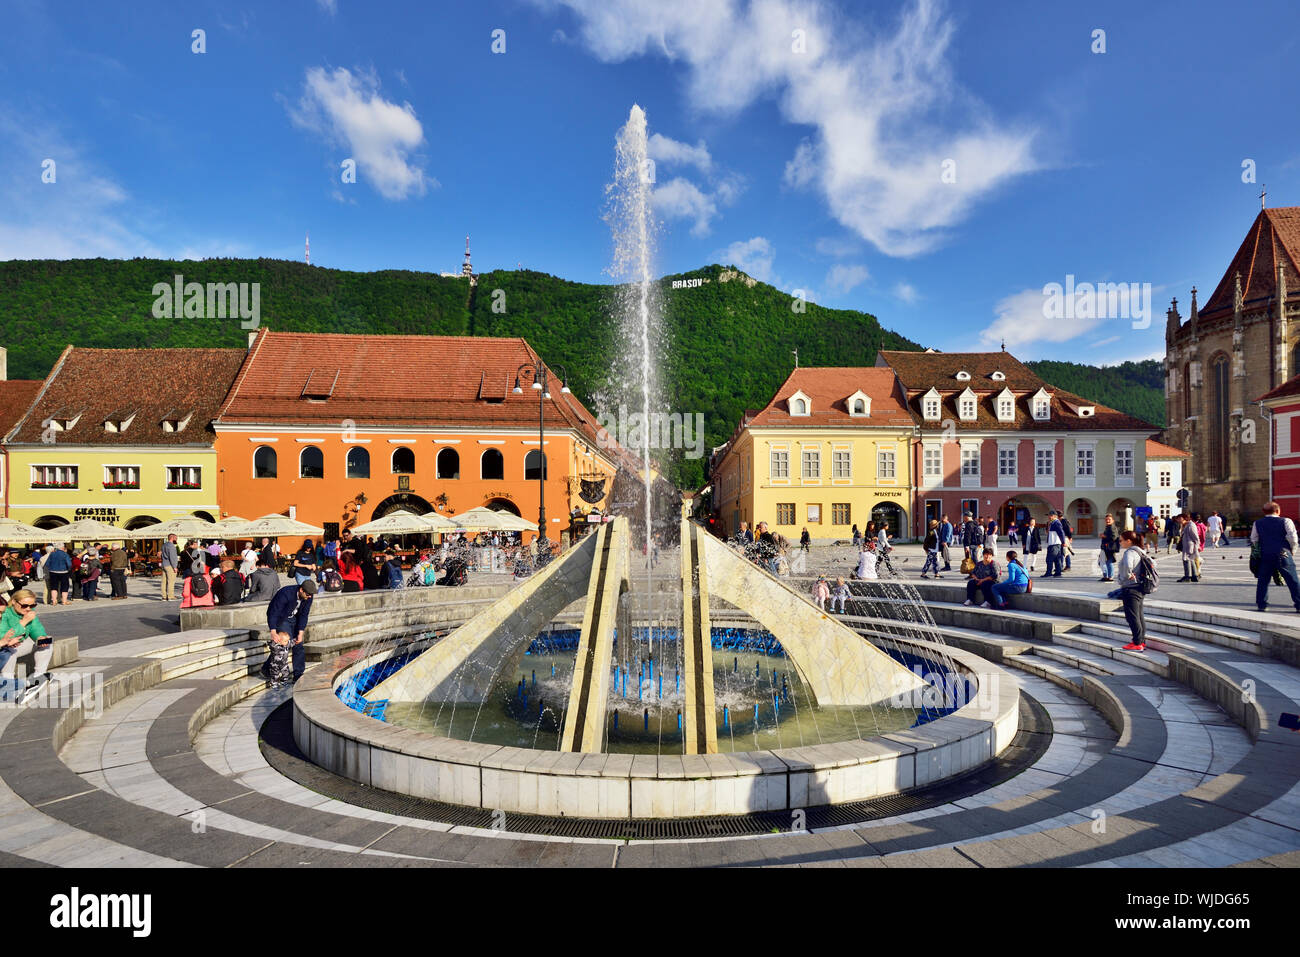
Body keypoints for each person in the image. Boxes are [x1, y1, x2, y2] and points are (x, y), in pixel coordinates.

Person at [0, 589, 55, 700]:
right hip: (8, 646)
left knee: (47, 641)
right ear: (14, 601)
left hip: (20, 643)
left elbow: (36, 628)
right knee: (10, 651)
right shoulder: (5, 612)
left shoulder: (29, 612)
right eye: (24, 605)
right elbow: (4, 635)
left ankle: (39, 676)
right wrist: (23, 622)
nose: (28, 608)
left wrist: (40, 637)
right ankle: (8, 682)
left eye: (32, 605)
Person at [1250, 502, 1300, 613]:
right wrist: (1292, 550)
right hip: (1283, 553)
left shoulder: (1257, 523)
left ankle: (1262, 605)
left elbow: (1254, 539)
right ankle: (1299, 604)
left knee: (1263, 581)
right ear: (1278, 511)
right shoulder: (1286, 521)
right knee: (1292, 580)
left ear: (1264, 512)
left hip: (1265, 554)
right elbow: (1293, 538)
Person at [266, 579, 316, 684]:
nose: (310, 597)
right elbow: (273, 612)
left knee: (298, 645)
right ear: (301, 590)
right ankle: (267, 669)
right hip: (282, 618)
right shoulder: (285, 593)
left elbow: (304, 615)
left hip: (295, 619)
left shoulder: (309, 596)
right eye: (308, 594)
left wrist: (300, 633)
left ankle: (298, 675)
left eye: (311, 595)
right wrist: (273, 631)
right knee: (284, 645)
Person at [1112, 530, 1150, 651]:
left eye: (1121, 540)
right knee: (1139, 615)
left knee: (1132, 616)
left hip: (1130, 587)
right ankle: (1141, 641)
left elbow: (1128, 565)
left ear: (1129, 541)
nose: (1120, 542)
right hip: (1140, 587)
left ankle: (1137, 642)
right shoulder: (1140, 551)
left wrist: (1127, 575)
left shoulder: (1130, 552)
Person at [1177, 514, 1201, 582]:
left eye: (1179, 518)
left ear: (1184, 518)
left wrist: (1197, 546)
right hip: (1186, 545)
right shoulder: (1185, 525)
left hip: (1190, 545)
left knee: (1186, 560)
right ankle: (1194, 576)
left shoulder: (1190, 525)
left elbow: (1195, 537)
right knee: (1191, 559)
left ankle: (1187, 576)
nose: (1178, 520)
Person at [1099, 513, 1121, 582]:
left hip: (1110, 548)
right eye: (1106, 519)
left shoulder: (1112, 527)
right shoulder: (1108, 527)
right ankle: (1106, 576)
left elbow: (1114, 537)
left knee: (1108, 562)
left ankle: (1110, 577)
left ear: (1113, 520)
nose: (1107, 521)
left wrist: (1104, 536)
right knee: (1103, 562)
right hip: (1107, 547)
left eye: (1109, 519)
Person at [1045, 511, 1065, 577]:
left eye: (1050, 515)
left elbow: (1061, 533)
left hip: (1054, 544)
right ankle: (1058, 572)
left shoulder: (1056, 523)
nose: (1049, 517)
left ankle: (1049, 573)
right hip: (1054, 543)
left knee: (1049, 559)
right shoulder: (1053, 523)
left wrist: (1063, 542)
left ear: (1054, 516)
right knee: (1057, 559)